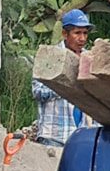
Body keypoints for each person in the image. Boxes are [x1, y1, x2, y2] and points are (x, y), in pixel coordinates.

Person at [32, 8, 98, 147]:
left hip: (84, 135)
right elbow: (37, 92)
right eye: (77, 33)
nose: (82, 38)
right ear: (64, 34)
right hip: (55, 135)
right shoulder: (49, 56)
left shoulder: (89, 58)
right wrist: (65, 87)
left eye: (85, 33)